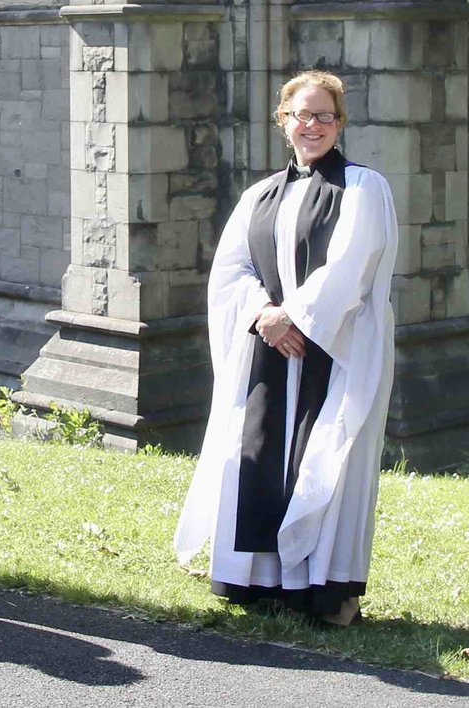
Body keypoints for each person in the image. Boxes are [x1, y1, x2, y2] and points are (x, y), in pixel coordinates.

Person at [174, 70, 396, 627]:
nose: (312, 125)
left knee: (326, 459)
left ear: (341, 123)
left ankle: (325, 590)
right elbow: (231, 270)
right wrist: (263, 317)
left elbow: (351, 267)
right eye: (302, 114)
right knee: (260, 455)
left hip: (333, 349)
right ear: (284, 121)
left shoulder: (364, 188)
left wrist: (292, 315)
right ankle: (263, 583)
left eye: (325, 115)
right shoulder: (259, 196)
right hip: (270, 349)